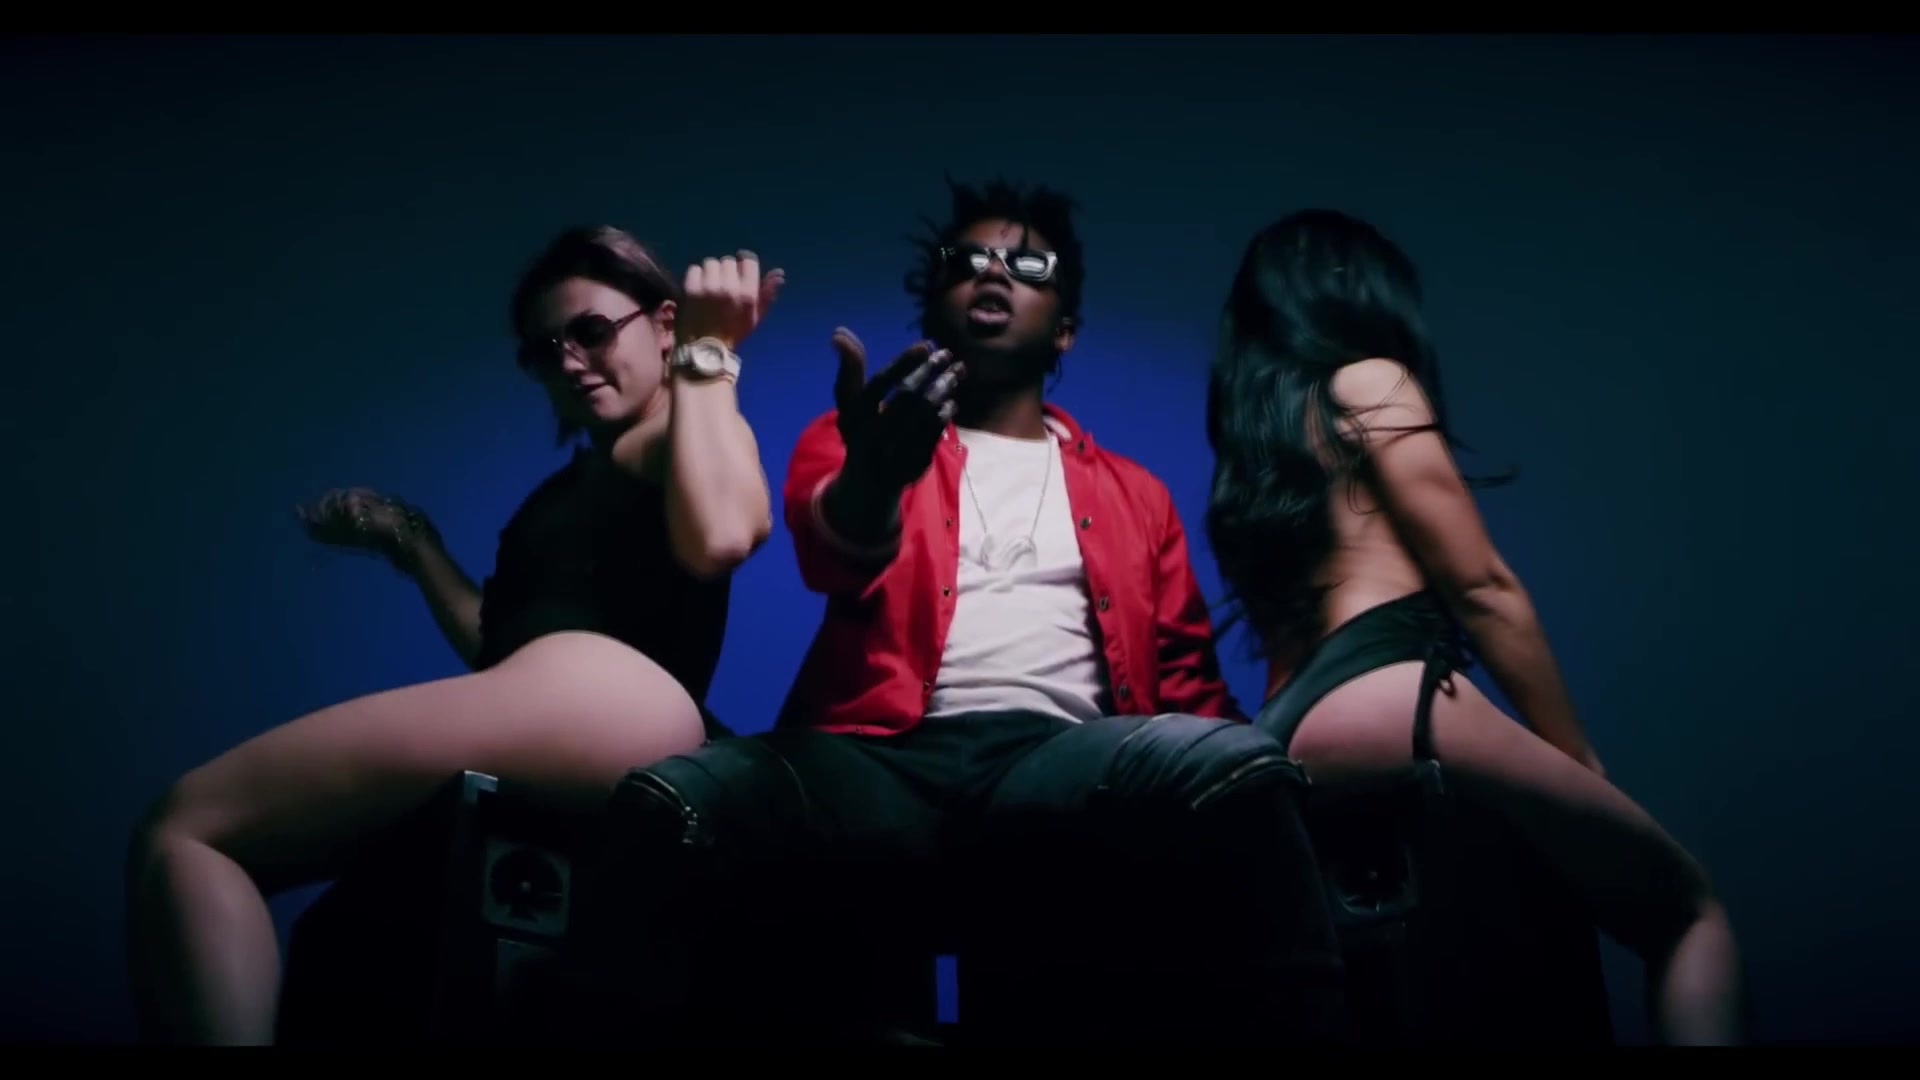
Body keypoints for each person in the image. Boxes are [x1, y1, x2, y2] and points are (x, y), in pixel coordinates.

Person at [583, 179, 1343, 1048]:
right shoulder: (855, 432)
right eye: (966, 260)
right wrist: (874, 478)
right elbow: (832, 549)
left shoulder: (1137, 494)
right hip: (879, 760)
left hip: (1062, 758)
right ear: (935, 305)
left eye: (1027, 265)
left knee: (1240, 769)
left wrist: (1271, 769)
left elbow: (1189, 689)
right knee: (668, 801)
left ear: (1065, 328)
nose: (992, 273)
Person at [125, 226, 783, 1045]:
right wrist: (413, 542)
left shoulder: (677, 428)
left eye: (590, 330)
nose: (570, 361)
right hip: (582, 716)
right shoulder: (580, 483)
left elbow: (724, 532)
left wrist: (708, 354)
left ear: (662, 322)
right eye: (543, 350)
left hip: (613, 704)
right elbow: (504, 652)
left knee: (186, 829)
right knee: (301, 900)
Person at [1204, 208, 1745, 1045]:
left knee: (1430, 974)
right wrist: (1578, 762)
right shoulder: (1371, 381)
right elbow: (1483, 586)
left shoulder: (1252, 444)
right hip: (1391, 691)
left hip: (1293, 730)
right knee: (1686, 909)